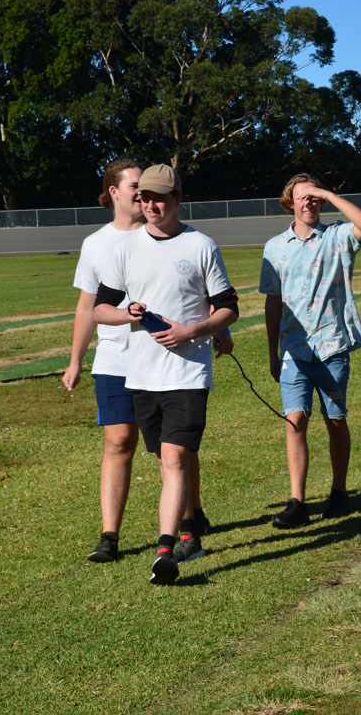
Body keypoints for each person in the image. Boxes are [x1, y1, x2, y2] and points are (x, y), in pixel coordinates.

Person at [93, 164, 238, 585]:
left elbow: (229, 307)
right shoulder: (126, 248)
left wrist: (193, 330)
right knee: (164, 458)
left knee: (174, 458)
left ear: (177, 200)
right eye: (145, 198)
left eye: (159, 198)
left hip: (188, 373)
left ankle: (165, 550)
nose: (151, 205)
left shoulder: (201, 246)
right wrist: (129, 313)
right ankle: (191, 529)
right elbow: (100, 308)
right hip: (141, 375)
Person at [260, 173, 361, 528]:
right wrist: (272, 353)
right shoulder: (275, 247)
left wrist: (327, 192)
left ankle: (339, 492)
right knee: (295, 420)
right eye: (302, 197)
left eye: (314, 197)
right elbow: (272, 303)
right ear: (290, 202)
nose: (308, 202)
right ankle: (297, 502)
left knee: (335, 419)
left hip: (332, 344)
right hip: (293, 350)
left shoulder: (337, 236)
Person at [63, 159, 147, 563]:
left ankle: (190, 517)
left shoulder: (162, 232)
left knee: (171, 446)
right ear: (113, 191)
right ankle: (109, 536)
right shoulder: (95, 244)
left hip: (162, 355)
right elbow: (86, 307)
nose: (143, 193)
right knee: (118, 442)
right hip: (114, 359)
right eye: (135, 185)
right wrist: (75, 361)